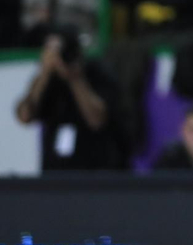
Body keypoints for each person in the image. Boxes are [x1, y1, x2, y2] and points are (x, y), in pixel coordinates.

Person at [14, 27, 125, 172]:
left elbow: (97, 120)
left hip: (93, 170)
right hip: (54, 171)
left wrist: (74, 78)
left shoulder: (97, 72)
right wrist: (44, 73)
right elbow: (25, 116)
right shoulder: (47, 80)